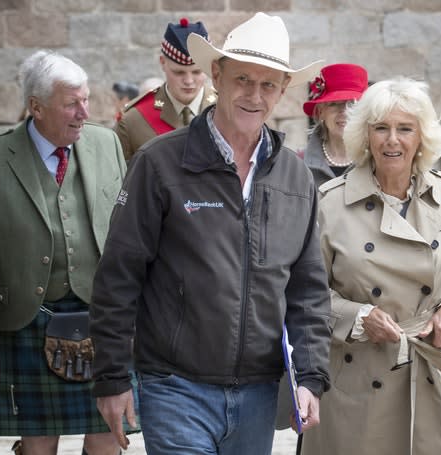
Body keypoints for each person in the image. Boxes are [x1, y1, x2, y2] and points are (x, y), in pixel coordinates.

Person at [89, 12, 331, 455]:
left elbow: (309, 290)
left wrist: (311, 376)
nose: (254, 95)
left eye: (268, 84)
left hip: (259, 393)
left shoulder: (296, 178)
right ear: (217, 75)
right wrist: (111, 375)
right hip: (173, 387)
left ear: (282, 91)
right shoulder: (159, 163)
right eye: (243, 79)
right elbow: (118, 274)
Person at [300, 77, 441, 455]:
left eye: (405, 129)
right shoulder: (329, 202)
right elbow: (305, 295)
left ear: (422, 137)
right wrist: (357, 315)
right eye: (381, 128)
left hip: (432, 379)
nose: (392, 140)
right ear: (364, 135)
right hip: (355, 387)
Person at [0, 50, 129, 455]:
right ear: (35, 106)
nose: (83, 112)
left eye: (86, 99)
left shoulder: (107, 144)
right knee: (38, 445)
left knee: (110, 435)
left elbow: (127, 237)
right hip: (26, 319)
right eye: (71, 103)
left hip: (103, 317)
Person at [115, 17, 217, 160]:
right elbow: (121, 178)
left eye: (197, 72)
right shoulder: (134, 120)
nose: (188, 81)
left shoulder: (227, 109)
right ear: (163, 63)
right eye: (178, 72)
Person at [301, 63, 368, 187]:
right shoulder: (298, 164)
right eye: (335, 104)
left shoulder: (377, 161)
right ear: (321, 112)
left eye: (353, 104)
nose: (344, 111)